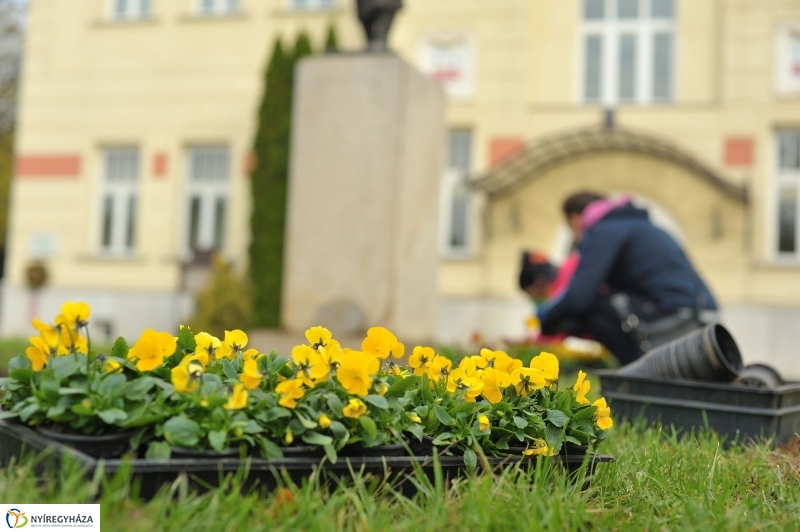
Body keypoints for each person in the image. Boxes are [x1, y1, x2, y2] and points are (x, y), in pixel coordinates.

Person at [534, 192, 718, 365]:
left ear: (575, 220)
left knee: (592, 310)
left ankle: (637, 375)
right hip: (700, 312)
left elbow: (580, 297)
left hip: (679, 317)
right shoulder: (630, 225)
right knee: (600, 304)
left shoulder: (605, 230)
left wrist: (545, 320)